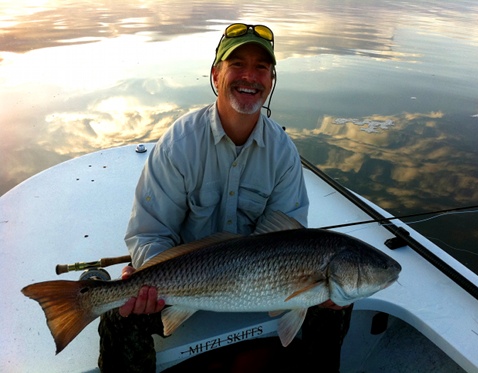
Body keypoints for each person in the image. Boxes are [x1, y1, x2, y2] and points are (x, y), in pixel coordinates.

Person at [98, 23, 352, 372]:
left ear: (271, 81)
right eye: (237, 65)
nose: (250, 76)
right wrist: (150, 278)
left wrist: (320, 292)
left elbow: (289, 243)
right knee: (119, 318)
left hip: (259, 288)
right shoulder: (178, 145)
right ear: (216, 75)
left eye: (261, 68)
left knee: (336, 303)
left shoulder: (282, 153)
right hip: (179, 286)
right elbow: (149, 233)